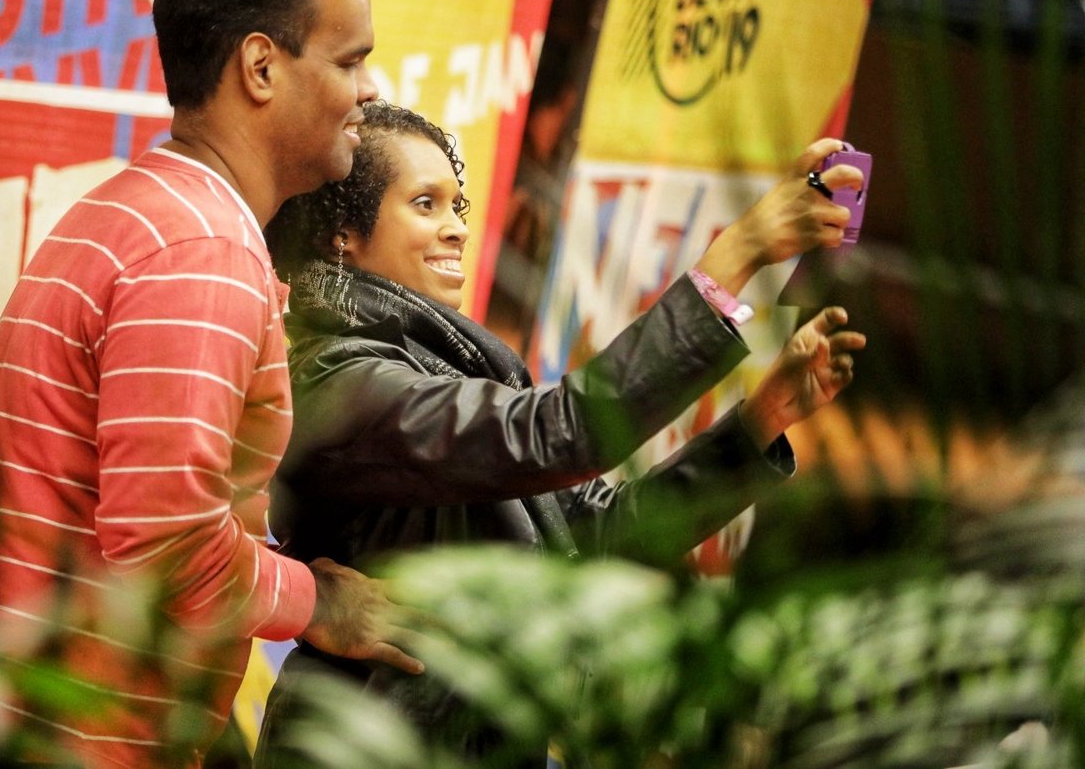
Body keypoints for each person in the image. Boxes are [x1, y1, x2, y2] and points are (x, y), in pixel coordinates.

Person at [0, 0, 423, 769]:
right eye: (349, 60)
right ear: (261, 67)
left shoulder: (143, 211)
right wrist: (318, 602)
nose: (369, 89)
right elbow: (165, 547)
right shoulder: (201, 252)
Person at [252, 102, 867, 766]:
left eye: (457, 205)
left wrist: (760, 422)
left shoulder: (439, 370)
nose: (457, 228)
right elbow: (560, 430)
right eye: (425, 204)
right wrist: (739, 252)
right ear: (342, 234)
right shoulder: (340, 380)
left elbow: (603, 533)